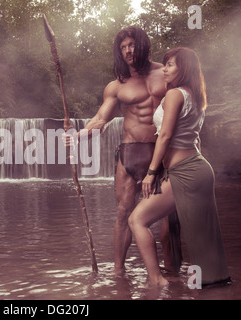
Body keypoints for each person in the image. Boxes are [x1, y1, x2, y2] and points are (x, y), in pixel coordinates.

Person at [65, 26, 179, 276]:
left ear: (143, 45)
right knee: (123, 213)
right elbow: (100, 119)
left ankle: (171, 273)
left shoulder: (167, 73)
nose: (128, 50)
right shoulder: (117, 86)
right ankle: (118, 273)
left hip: (165, 152)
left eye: (132, 44)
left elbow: (184, 105)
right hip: (130, 153)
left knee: (169, 219)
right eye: (123, 47)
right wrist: (80, 135)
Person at [128, 47, 231, 287]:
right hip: (197, 169)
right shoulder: (196, 96)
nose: (165, 69)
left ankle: (157, 281)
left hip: (186, 171)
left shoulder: (174, 95)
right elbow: (196, 138)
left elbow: (164, 136)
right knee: (203, 236)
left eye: (171, 64)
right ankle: (213, 286)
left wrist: (151, 173)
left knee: (137, 220)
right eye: (165, 64)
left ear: (184, 68)